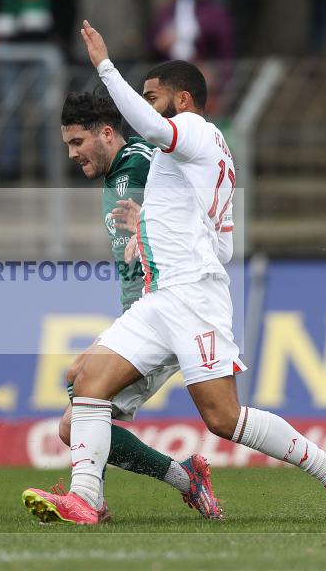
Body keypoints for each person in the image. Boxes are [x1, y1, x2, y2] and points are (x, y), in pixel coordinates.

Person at [22, 20, 326, 526]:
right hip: (162, 296)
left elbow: (158, 131)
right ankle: (86, 499)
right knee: (87, 381)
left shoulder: (196, 132)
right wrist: (151, 229)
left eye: (152, 97)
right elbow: (220, 238)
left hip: (192, 297)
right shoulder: (187, 155)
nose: (146, 107)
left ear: (183, 100)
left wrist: (104, 66)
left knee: (223, 419)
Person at [54, 90, 223, 521]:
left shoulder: (144, 161)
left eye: (77, 143)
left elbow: (193, 201)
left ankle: (91, 500)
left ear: (106, 133)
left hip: (168, 309)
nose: (72, 154)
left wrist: (148, 222)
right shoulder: (118, 173)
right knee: (75, 416)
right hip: (141, 311)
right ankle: (178, 480)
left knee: (76, 418)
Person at [151, 0, 233, 62]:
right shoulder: (167, 11)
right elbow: (152, 40)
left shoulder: (215, 12)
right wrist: (160, 43)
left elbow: (224, 47)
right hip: (170, 66)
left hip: (205, 67)